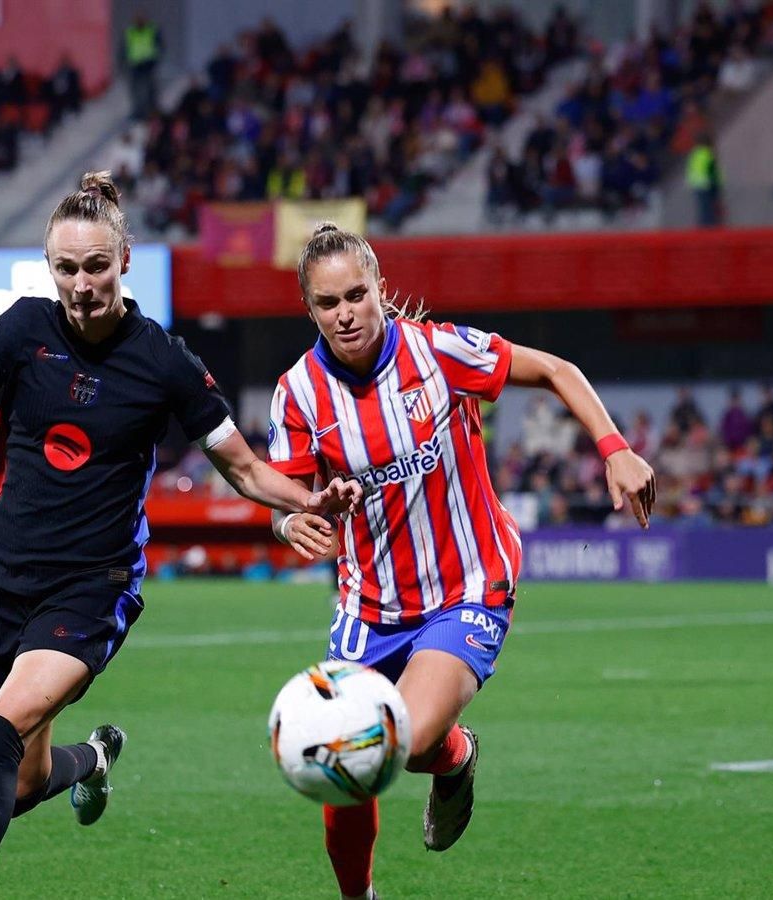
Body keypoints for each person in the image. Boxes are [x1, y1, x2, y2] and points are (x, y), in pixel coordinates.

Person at [0, 172, 360, 898]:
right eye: (66, 268)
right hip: (2, 580)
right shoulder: (22, 331)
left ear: (124, 259)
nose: (81, 284)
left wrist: (310, 499)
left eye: (96, 266)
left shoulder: (164, 362)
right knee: (19, 784)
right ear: (49, 266)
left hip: (92, 587)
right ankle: (92, 759)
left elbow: (245, 469)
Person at [266, 223, 656, 900]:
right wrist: (295, 518)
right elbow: (285, 501)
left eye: (357, 294)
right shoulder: (297, 393)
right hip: (369, 604)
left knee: (405, 741)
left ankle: (455, 756)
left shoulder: (438, 352)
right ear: (310, 309)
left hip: (467, 585)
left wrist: (613, 446)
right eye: (328, 303)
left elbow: (555, 370)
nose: (346, 313)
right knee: (342, 756)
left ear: (380, 288)